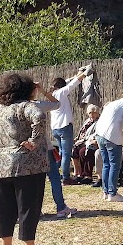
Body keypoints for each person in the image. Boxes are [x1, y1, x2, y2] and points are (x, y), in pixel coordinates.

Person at [0, 73, 51, 245]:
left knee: (5, 210)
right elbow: (40, 117)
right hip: (27, 165)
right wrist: (34, 141)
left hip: (0, 165)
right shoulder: (26, 107)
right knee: (28, 208)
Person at [32, 85, 77, 219]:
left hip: (28, 149)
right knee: (54, 178)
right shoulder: (36, 105)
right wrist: (43, 91)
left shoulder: (13, 107)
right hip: (44, 146)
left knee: (35, 181)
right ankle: (60, 207)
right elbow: (56, 103)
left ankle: (35, 209)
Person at [50, 69, 87, 184]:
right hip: (64, 126)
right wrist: (85, 73)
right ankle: (66, 177)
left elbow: (68, 81)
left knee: (61, 152)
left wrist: (75, 76)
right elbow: (73, 84)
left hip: (55, 128)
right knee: (66, 153)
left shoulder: (52, 95)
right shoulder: (61, 93)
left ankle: (54, 173)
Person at [68, 104, 101, 185]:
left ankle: (88, 175)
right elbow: (82, 132)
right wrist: (77, 138)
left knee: (83, 152)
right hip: (83, 141)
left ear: (97, 113)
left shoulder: (99, 122)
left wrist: (84, 140)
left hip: (92, 142)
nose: (92, 115)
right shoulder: (87, 121)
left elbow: (96, 134)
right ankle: (79, 173)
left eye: (94, 113)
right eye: (90, 113)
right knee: (75, 150)